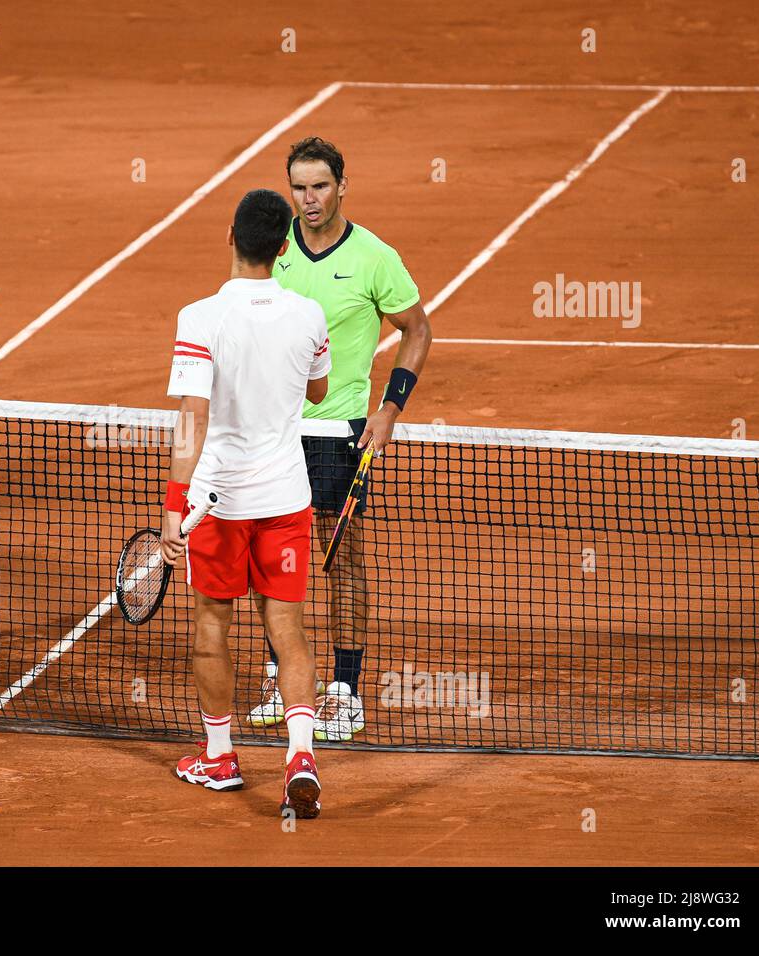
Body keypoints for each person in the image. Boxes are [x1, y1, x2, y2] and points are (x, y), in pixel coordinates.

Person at [247, 136, 433, 741]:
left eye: (320, 186)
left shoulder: (376, 256)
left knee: (341, 558)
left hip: (340, 428)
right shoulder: (273, 252)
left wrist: (390, 408)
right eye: (299, 187)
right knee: (266, 553)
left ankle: (345, 690)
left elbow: (416, 330)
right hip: (274, 426)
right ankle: (281, 676)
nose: (309, 199)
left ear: (342, 187)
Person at [162, 188, 331, 819]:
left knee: (213, 624)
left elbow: (192, 420)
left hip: (217, 504)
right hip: (287, 499)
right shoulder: (309, 315)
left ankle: (220, 756)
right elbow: (317, 390)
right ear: (283, 248)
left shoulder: (200, 318)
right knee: (287, 630)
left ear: (229, 236)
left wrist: (174, 508)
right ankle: (300, 756)